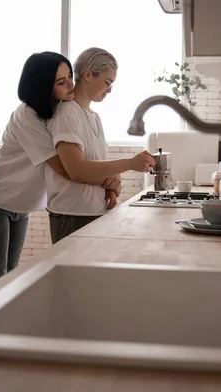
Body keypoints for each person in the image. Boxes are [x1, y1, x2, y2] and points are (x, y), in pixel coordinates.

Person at [0, 51, 121, 292]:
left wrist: (109, 181)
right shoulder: (27, 116)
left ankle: (5, 328)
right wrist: (109, 180)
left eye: (70, 76)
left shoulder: (58, 109)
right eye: (62, 82)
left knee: (8, 279)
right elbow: (66, 169)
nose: (72, 83)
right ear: (42, 86)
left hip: (20, 205)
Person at [45, 47, 155, 244]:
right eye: (107, 82)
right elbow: (77, 169)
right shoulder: (67, 113)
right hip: (72, 216)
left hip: (93, 214)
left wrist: (112, 187)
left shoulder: (94, 118)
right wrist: (130, 163)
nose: (110, 90)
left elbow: (97, 166)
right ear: (87, 74)